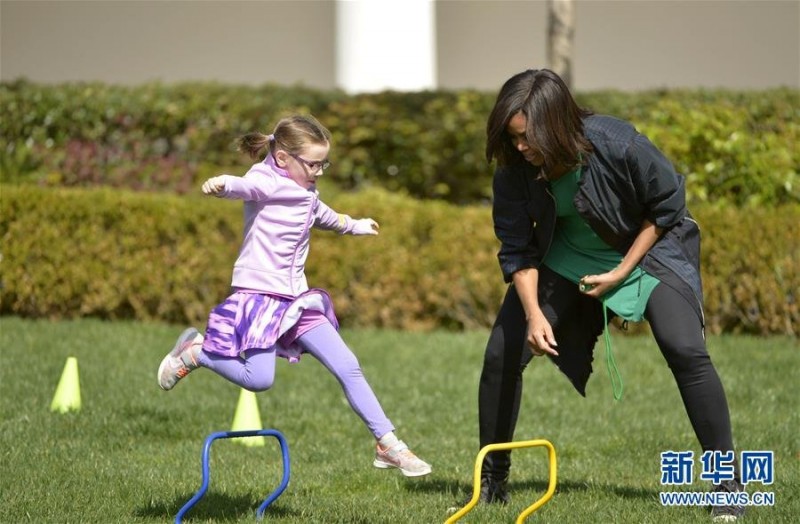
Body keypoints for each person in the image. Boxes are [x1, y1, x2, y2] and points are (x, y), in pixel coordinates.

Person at [473, 70, 742, 520]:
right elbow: (517, 248)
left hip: (649, 250)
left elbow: (667, 207)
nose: (520, 148)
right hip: (567, 256)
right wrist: (535, 314)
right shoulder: (514, 171)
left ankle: (727, 485)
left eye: (527, 137)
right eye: (513, 138)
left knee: (686, 349)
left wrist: (621, 270)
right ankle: (492, 481)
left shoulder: (618, 143)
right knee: (502, 355)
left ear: (555, 123)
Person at [157, 114, 431, 478]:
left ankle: (388, 444)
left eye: (323, 164)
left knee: (347, 364)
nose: (319, 171)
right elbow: (245, 187)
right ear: (284, 158)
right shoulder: (265, 179)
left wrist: (355, 225)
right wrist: (223, 184)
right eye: (313, 164)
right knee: (258, 380)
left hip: (297, 299)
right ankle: (199, 353)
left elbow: (322, 214)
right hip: (259, 297)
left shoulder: (307, 191)